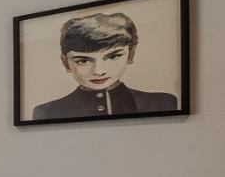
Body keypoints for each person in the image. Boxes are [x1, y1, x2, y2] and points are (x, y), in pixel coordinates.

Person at [31, 12, 177, 120]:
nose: (99, 71)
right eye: (83, 61)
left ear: (131, 54)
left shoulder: (163, 102)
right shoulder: (46, 112)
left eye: (113, 57)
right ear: (65, 62)